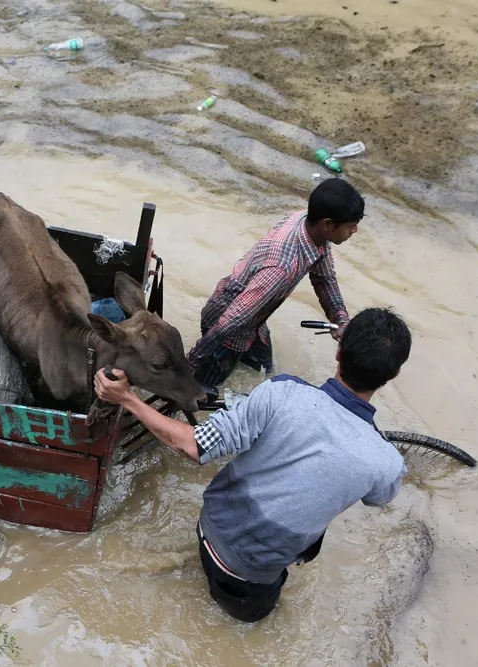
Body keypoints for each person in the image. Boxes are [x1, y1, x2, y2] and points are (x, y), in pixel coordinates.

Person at [95, 307, 411, 622]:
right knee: (260, 623)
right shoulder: (386, 462)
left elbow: (193, 444)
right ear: (395, 374)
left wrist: (128, 399)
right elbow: (379, 497)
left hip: (209, 526)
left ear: (339, 351)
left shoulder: (280, 392)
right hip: (250, 578)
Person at [187, 179, 365, 397]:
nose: (355, 230)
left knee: (264, 371)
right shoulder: (283, 267)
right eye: (351, 226)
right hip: (228, 328)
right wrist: (193, 359)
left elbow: (324, 279)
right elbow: (230, 322)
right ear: (328, 224)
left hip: (253, 318)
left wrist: (340, 319)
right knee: (203, 393)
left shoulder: (308, 223)